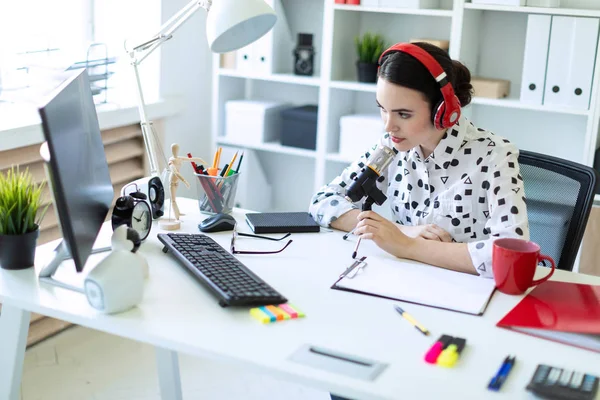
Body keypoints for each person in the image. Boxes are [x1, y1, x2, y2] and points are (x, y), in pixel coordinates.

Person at [309, 42, 529, 282]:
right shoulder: (390, 147)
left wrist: (406, 245)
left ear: (443, 110)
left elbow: (511, 255)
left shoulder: (495, 155)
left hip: (465, 295)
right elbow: (323, 201)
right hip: (405, 283)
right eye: (383, 109)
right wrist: (403, 232)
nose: (388, 125)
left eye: (403, 114)